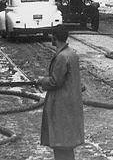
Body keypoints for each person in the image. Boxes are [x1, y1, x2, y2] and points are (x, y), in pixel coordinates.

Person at [38, 25, 84, 160]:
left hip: (61, 106)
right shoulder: (72, 53)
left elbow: (55, 81)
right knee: (67, 145)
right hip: (71, 104)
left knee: (60, 144)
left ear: (54, 37)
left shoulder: (62, 57)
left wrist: (41, 80)